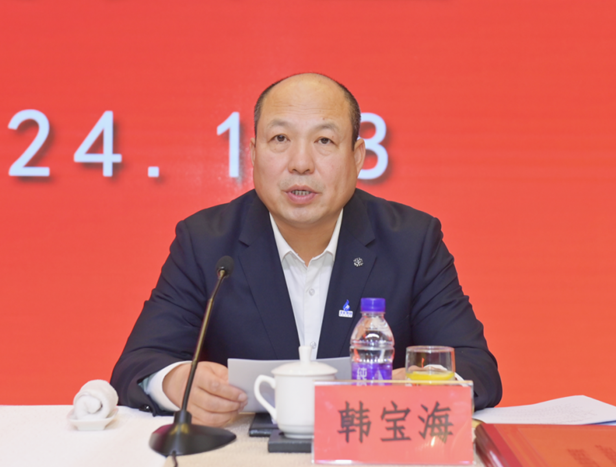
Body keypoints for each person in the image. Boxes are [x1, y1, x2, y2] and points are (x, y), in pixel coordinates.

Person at [110, 73, 502, 427]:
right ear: (253, 153)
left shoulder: (411, 241)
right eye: (280, 139)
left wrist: (420, 384)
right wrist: (175, 383)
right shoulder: (205, 242)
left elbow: (476, 368)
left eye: (324, 141)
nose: (300, 163)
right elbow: (139, 365)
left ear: (358, 157)